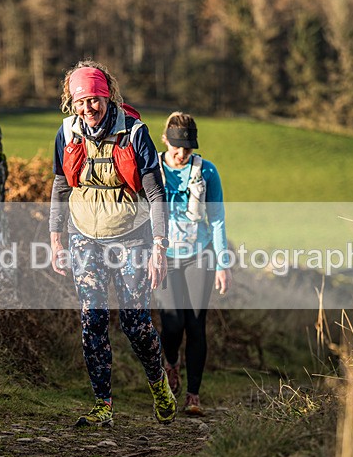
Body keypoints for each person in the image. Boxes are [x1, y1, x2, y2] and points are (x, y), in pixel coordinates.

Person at [49, 60, 176, 427]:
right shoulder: (67, 132)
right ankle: (102, 404)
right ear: (71, 103)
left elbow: (155, 192)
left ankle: (158, 384)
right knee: (93, 320)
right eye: (81, 101)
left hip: (132, 238)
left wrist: (159, 249)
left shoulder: (134, 132)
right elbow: (60, 186)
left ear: (108, 97)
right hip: (83, 237)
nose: (88, 108)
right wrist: (56, 239)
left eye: (95, 100)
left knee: (136, 325)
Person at [154, 112, 231, 417]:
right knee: (172, 324)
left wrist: (223, 263)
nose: (182, 155)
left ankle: (193, 395)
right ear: (165, 141)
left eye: (187, 149)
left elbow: (218, 220)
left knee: (196, 325)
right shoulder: (153, 170)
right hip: (164, 257)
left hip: (201, 255)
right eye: (176, 149)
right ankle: (171, 363)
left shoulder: (207, 172)